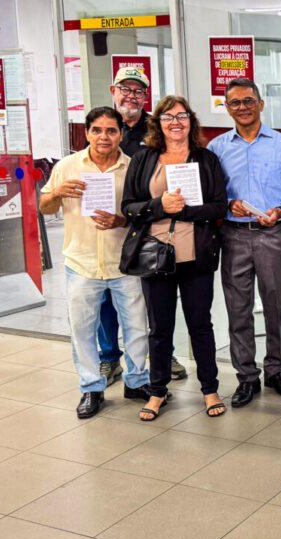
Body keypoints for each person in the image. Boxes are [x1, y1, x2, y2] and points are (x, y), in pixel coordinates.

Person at [120, 95, 228, 421]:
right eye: (168, 117)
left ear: (191, 121)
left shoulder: (206, 159)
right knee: (159, 328)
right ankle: (157, 391)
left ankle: (209, 389)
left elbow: (219, 206)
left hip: (196, 256)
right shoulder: (143, 158)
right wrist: (159, 206)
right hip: (155, 256)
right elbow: (128, 207)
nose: (175, 122)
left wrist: (184, 211)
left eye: (182, 116)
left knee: (200, 325)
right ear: (158, 123)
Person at [38, 106, 150, 419]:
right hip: (82, 264)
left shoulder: (134, 168)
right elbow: (45, 207)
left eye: (111, 131)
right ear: (87, 133)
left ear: (121, 134)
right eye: (97, 130)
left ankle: (137, 381)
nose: (104, 137)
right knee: (82, 331)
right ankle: (91, 387)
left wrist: (121, 220)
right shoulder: (67, 166)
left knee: (137, 328)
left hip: (125, 263)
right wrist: (57, 192)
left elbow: (145, 213)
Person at [207, 78, 281, 408]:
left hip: (273, 234)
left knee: (276, 305)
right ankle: (246, 376)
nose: (243, 107)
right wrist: (227, 204)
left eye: (249, 101)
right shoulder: (217, 148)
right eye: (235, 102)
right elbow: (209, 195)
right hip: (233, 235)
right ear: (227, 108)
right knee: (238, 309)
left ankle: (275, 370)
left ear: (261, 104)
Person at [98, 67, 187, 386]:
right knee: (106, 297)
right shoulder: (104, 125)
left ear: (145, 97)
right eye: (125, 89)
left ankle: (162, 354)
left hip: (148, 226)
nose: (131, 96)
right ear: (113, 91)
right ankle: (109, 358)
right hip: (107, 226)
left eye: (138, 91)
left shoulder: (156, 128)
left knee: (152, 299)